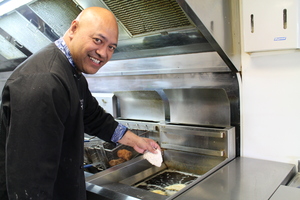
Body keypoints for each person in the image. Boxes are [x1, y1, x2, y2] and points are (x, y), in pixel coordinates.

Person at [0, 7, 160, 200]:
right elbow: (30, 178)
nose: (103, 53)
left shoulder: (72, 73)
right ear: (74, 29)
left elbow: (94, 118)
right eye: (98, 40)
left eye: (111, 47)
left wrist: (138, 142)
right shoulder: (45, 82)